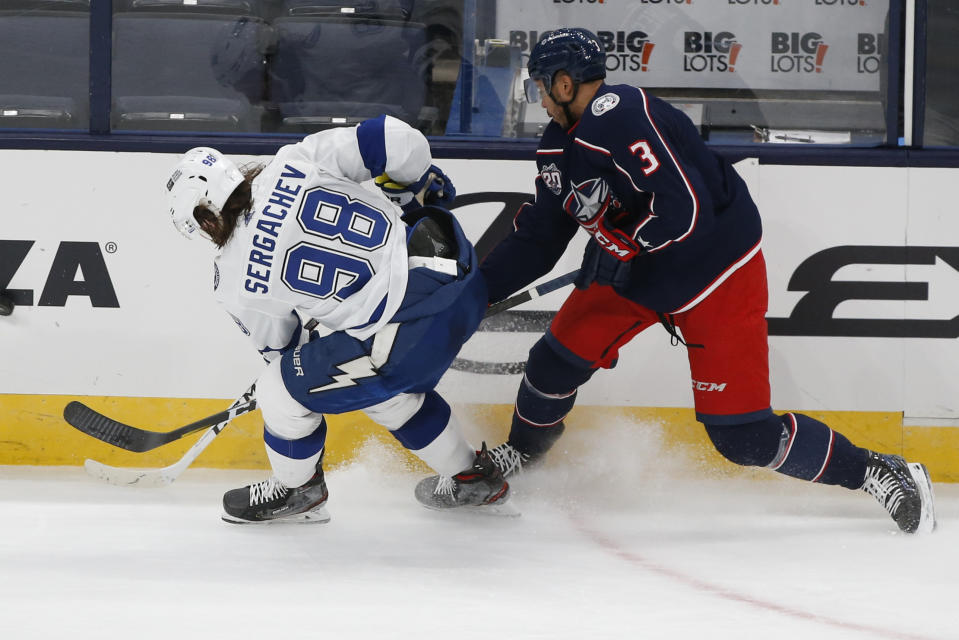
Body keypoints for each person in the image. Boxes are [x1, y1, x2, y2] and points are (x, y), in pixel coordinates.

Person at [429, 28, 937, 534]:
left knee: (745, 440)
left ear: (565, 84)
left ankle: (877, 470)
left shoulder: (623, 115)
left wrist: (624, 245)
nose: (538, 97)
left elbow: (685, 209)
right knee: (553, 362)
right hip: (636, 266)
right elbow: (540, 239)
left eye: (541, 85)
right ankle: (519, 457)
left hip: (714, 271)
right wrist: (473, 294)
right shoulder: (557, 148)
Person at [164, 115, 511, 524]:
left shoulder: (234, 282)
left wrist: (307, 345)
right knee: (378, 386)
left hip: (412, 333)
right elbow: (398, 140)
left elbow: (283, 353)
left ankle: (299, 489)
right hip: (460, 270)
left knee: (279, 391)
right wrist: (411, 182)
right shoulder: (294, 159)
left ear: (206, 219)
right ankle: (471, 477)